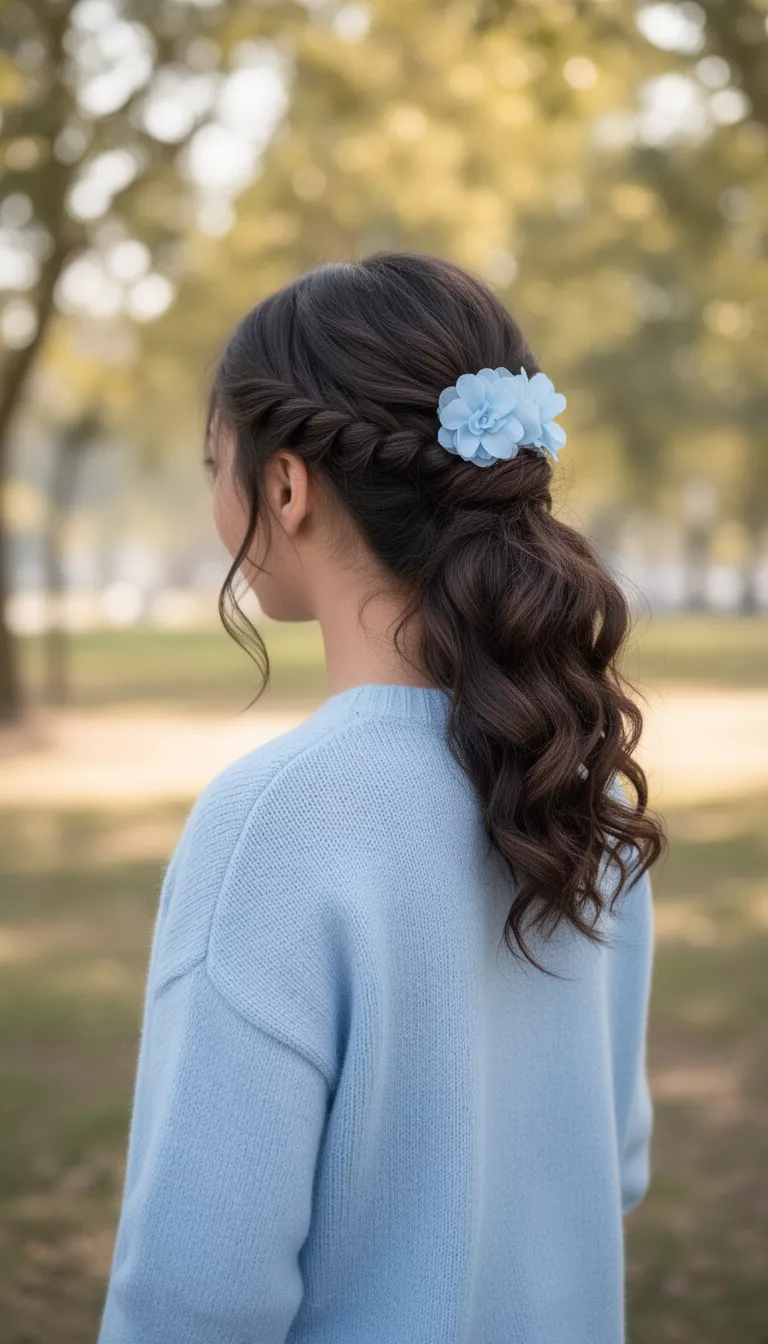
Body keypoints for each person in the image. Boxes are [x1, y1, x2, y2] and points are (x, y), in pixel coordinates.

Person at [97, 251, 665, 1344]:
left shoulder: (276, 821)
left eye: (217, 459)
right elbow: (614, 1159)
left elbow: (196, 1291)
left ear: (287, 484)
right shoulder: (574, 772)